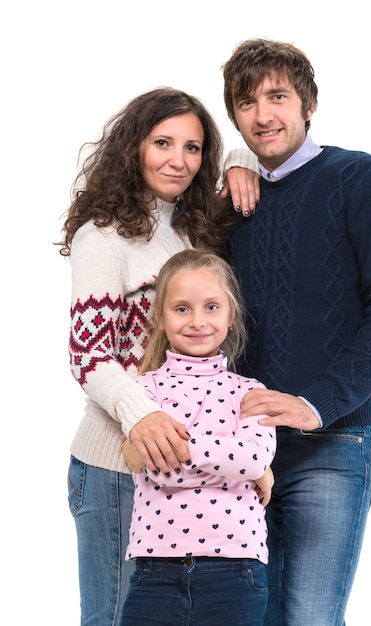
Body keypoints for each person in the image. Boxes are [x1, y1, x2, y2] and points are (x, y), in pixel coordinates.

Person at [222, 38, 371, 626]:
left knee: (308, 617)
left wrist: (319, 403)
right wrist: (235, 159)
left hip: (330, 448)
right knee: (238, 616)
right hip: (237, 450)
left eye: (277, 96)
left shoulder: (360, 177)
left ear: (308, 104)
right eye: (246, 103)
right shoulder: (229, 202)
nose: (262, 115)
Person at [58, 87, 259, 626]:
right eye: (162, 143)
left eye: (193, 148)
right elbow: (88, 353)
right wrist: (140, 414)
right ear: (133, 148)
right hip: (114, 463)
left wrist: (240, 160)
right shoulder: (102, 236)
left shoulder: (192, 226)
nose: (179, 160)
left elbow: (256, 150)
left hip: (187, 464)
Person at [118, 248, 276, 626]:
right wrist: (232, 463)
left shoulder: (251, 391)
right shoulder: (142, 391)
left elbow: (254, 458)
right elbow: (159, 472)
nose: (197, 321)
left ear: (230, 313)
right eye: (182, 308)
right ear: (159, 317)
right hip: (155, 570)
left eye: (211, 307)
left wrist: (180, 447)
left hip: (236, 569)